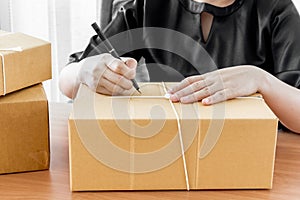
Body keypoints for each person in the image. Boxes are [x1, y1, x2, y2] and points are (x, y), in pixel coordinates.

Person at [59, 0, 300, 133]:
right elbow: (67, 80)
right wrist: (84, 72)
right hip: (161, 145)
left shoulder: (276, 9)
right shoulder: (147, 5)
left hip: (251, 155)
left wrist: (260, 80)